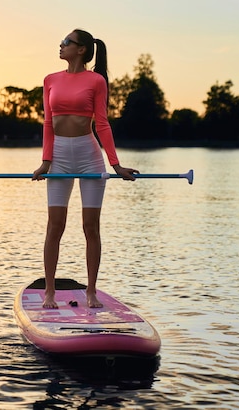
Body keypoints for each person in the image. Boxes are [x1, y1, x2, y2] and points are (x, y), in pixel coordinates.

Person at [32, 29, 138, 309]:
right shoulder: (50, 80)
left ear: (81, 49)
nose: (61, 45)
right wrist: (46, 161)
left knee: (90, 226)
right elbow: (47, 123)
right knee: (55, 226)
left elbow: (102, 123)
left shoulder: (96, 81)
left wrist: (115, 164)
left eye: (66, 42)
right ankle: (50, 293)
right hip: (59, 158)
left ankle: (91, 291)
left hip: (89, 155)